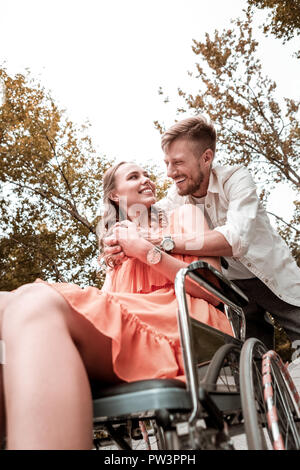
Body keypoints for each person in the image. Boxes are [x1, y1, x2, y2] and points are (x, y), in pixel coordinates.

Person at [0, 161, 232, 450]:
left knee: (34, 301)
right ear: (113, 195)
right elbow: (106, 306)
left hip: (185, 322)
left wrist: (145, 250)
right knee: (6, 304)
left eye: (146, 174)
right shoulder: (114, 246)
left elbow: (213, 292)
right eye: (134, 176)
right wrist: (121, 255)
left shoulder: (184, 215)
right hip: (131, 328)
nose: (146, 180)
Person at [104, 116, 300, 352]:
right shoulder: (175, 200)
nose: (169, 172)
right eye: (167, 163)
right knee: (255, 359)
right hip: (233, 290)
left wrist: (157, 243)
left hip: (271, 276)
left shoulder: (235, 179)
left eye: (177, 163)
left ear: (206, 158)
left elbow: (235, 238)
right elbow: (146, 219)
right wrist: (116, 241)